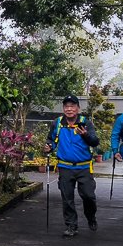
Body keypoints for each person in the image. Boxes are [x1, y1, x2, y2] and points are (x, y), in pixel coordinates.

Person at [44, 95, 100, 237]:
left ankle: (90, 217)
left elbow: (94, 142)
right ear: (63, 109)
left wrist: (85, 135)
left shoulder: (85, 123)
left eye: (72, 106)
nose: (69, 109)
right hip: (65, 166)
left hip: (84, 167)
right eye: (66, 106)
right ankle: (71, 226)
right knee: (67, 198)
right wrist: (49, 146)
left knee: (88, 196)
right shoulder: (57, 123)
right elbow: (51, 139)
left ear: (78, 108)